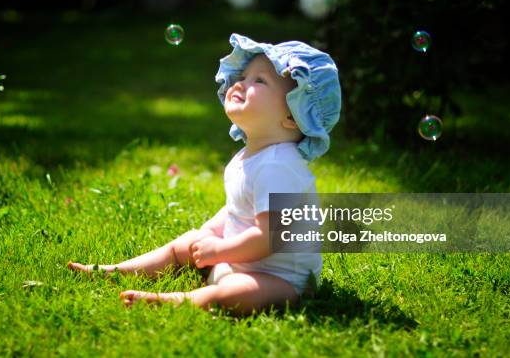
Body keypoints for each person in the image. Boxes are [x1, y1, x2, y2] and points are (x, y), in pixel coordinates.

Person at [68, 33, 342, 315]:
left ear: (292, 116)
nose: (241, 83)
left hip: (281, 281)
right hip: (237, 260)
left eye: (259, 81)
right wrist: (209, 234)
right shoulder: (249, 156)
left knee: (235, 293)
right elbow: (237, 210)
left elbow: (267, 236)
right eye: (243, 76)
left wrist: (219, 251)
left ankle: (175, 300)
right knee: (184, 245)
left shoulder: (279, 166)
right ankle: (116, 271)